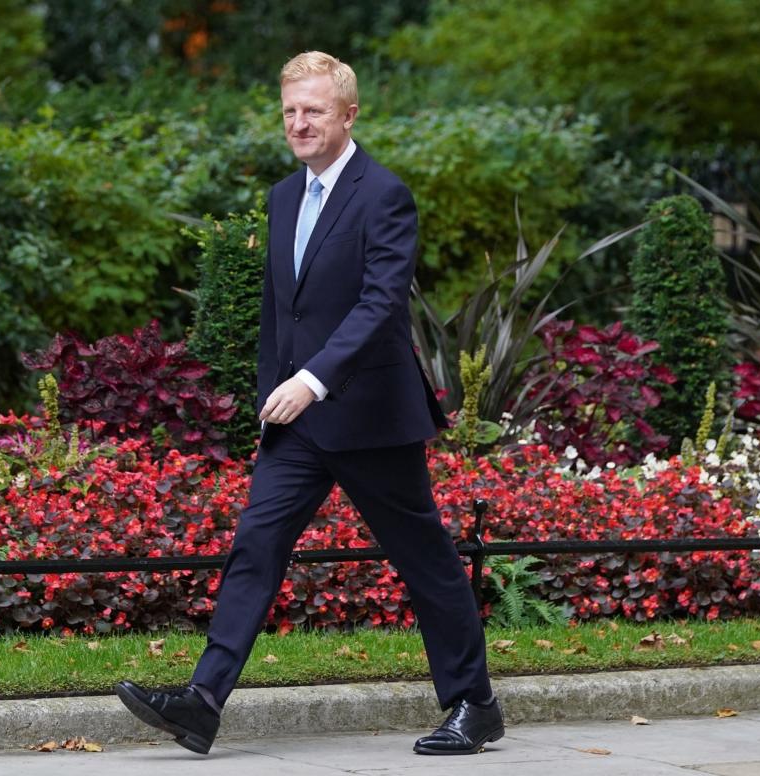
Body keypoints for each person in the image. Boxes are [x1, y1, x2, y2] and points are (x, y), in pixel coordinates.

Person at [115, 50, 503, 757]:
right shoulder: (282, 196)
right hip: (295, 418)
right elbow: (281, 311)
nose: (298, 123)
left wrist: (313, 380)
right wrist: (275, 387)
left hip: (369, 417)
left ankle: (474, 705)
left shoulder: (382, 193)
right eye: (290, 110)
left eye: (313, 110)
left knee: (424, 560)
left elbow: (380, 304)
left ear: (348, 114)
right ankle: (202, 703)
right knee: (255, 546)